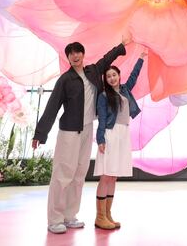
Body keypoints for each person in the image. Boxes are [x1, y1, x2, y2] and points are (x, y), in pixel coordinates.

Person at [32, 36, 130, 234]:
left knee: (78, 175)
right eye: (71, 53)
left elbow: (107, 59)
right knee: (63, 175)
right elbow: (52, 106)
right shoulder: (65, 80)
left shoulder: (92, 71)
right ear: (68, 58)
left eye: (78, 52)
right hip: (69, 131)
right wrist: (40, 133)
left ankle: (70, 216)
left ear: (83, 54)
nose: (75, 56)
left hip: (87, 129)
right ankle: (55, 219)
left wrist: (122, 45)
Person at [93, 50, 147, 230]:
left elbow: (134, 76)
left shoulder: (125, 90)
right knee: (106, 176)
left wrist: (140, 59)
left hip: (123, 135)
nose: (111, 78)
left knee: (113, 177)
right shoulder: (103, 96)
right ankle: (100, 217)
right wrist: (100, 139)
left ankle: (108, 214)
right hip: (110, 134)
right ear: (105, 79)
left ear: (118, 76)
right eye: (108, 76)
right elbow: (101, 119)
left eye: (114, 75)